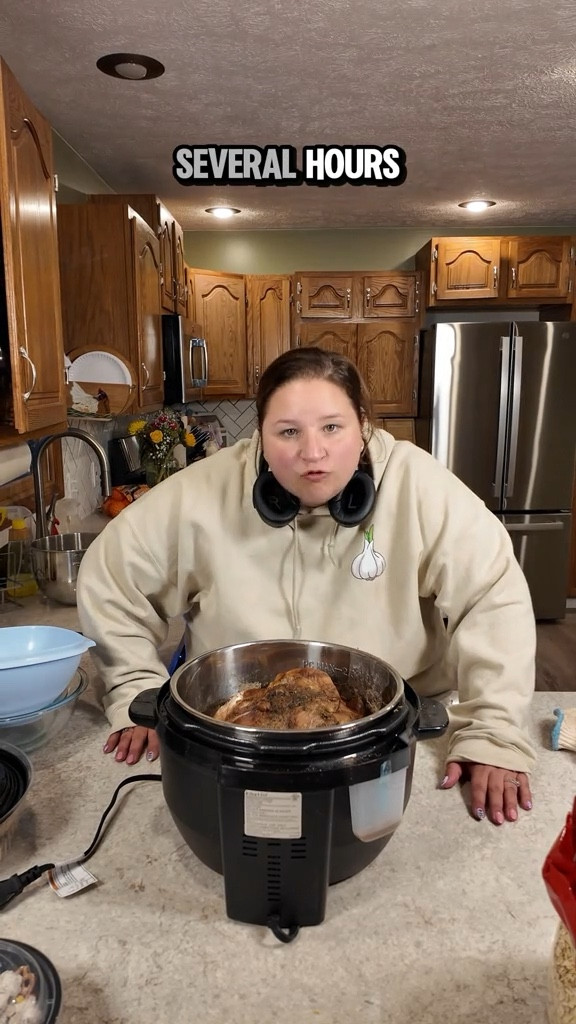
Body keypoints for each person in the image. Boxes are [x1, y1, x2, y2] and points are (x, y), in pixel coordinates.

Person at [77, 346, 536, 826]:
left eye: (332, 427)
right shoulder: (202, 492)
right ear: (260, 435)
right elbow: (112, 578)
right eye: (288, 431)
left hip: (397, 733)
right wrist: (135, 686)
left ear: (363, 427)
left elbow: (493, 595)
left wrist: (494, 732)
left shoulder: (419, 485)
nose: (312, 453)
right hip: (236, 735)